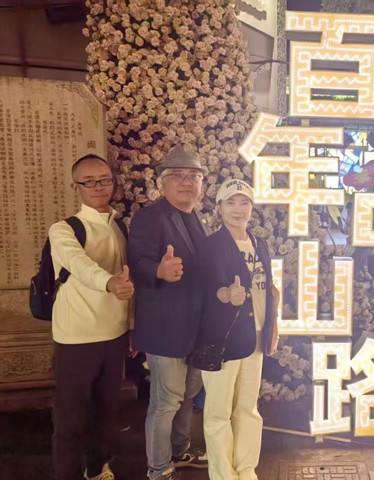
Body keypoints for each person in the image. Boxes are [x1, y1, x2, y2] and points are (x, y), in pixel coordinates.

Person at [50, 154, 134, 480]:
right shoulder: (64, 229)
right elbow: (79, 264)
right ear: (77, 187)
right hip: (76, 338)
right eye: (89, 181)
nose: (99, 186)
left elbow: (129, 278)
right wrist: (109, 282)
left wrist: (131, 325)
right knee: (70, 420)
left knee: (107, 413)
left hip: (114, 336)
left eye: (105, 180)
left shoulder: (119, 226)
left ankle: (98, 469)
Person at [128, 145, 210, 480]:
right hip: (164, 328)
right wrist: (158, 271)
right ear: (162, 183)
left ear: (202, 183)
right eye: (177, 175)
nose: (186, 181)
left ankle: (180, 450)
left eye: (194, 175)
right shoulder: (151, 217)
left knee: (187, 395)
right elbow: (136, 262)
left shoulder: (196, 217)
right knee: (166, 401)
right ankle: (158, 467)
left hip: (195, 327)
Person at [192, 179, 278, 480]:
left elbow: (268, 290)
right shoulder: (210, 246)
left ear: (252, 208)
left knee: (248, 409)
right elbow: (200, 290)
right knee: (218, 412)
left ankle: (246, 469)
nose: (238, 209)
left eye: (244, 203)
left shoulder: (260, 244)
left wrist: (273, 327)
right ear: (219, 208)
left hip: (255, 338)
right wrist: (225, 294)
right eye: (230, 202)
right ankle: (223, 474)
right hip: (223, 339)